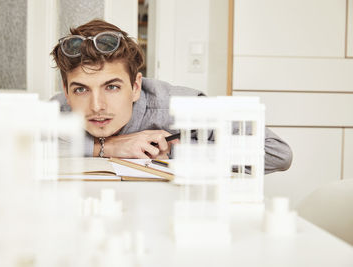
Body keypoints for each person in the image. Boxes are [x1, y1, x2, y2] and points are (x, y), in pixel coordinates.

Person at [50, 19, 292, 174]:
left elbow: (276, 153)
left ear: (135, 87)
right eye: (81, 89)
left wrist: (169, 151)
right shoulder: (60, 109)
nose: (96, 106)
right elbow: (22, 147)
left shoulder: (179, 106)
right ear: (67, 91)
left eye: (112, 87)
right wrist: (107, 147)